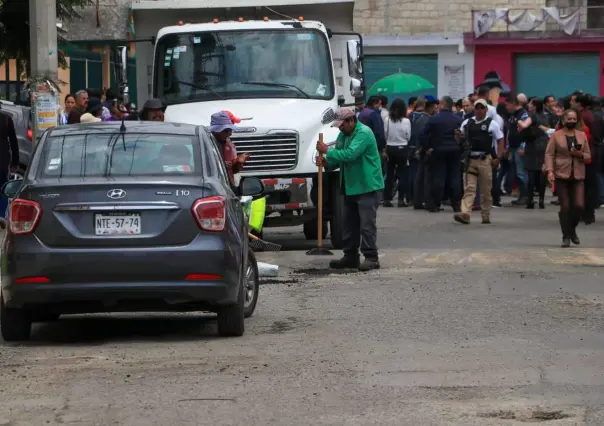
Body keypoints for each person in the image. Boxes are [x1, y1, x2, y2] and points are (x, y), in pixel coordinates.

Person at [315, 107, 384, 271]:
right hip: (351, 185)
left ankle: (371, 257)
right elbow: (339, 156)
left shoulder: (363, 133)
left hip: (367, 185)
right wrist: (327, 163)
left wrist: (327, 151)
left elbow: (350, 155)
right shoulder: (343, 135)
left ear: (351, 121)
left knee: (366, 225)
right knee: (349, 224)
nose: (339, 128)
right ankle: (350, 256)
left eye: (342, 125)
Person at [545, 109, 591, 247]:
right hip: (561, 174)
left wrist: (580, 155)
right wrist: (550, 171)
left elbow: (588, 155)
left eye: (573, 119)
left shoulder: (582, 135)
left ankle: (571, 230)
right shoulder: (556, 135)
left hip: (578, 174)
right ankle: (566, 236)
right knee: (565, 206)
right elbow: (549, 154)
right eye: (569, 119)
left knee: (579, 206)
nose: (571, 121)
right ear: (564, 120)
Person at [454, 99, 504, 225]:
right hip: (470, 159)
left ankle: (485, 214)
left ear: (486, 110)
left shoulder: (492, 124)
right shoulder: (467, 123)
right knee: (469, 188)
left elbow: (500, 139)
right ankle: (465, 213)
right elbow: (460, 139)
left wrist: (498, 157)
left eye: (482, 108)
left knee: (486, 190)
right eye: (477, 108)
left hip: (485, 160)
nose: (479, 110)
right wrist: (458, 136)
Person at [420, 96, 463, 212]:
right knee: (454, 177)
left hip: (438, 150)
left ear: (443, 105)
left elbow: (423, 134)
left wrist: (427, 147)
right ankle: (456, 203)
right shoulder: (458, 119)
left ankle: (435, 204)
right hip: (454, 150)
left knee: (438, 177)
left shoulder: (434, 119)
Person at [517, 98, 551, 209]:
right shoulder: (545, 117)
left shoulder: (532, 116)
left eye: (531, 104)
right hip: (544, 145)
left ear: (534, 107)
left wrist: (519, 122)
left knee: (531, 174)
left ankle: (530, 200)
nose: (529, 105)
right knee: (542, 174)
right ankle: (541, 200)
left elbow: (524, 126)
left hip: (532, 146)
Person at [383, 98, 411, 207]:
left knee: (389, 174)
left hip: (390, 148)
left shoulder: (387, 120)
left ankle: (386, 199)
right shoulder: (406, 121)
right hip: (402, 148)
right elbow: (408, 136)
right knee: (402, 175)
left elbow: (385, 134)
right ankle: (401, 199)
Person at [209, 111, 249, 185]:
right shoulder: (205, 144)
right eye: (226, 130)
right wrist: (221, 165)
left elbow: (232, 171)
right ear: (215, 131)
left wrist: (238, 162)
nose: (230, 134)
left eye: (230, 130)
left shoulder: (229, 145)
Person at [0, 104, 20, 229]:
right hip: (3, 160)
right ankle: (2, 215)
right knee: (3, 189)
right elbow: (13, 141)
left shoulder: (7, 119)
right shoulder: (6, 119)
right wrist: (15, 162)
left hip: (3, 160)